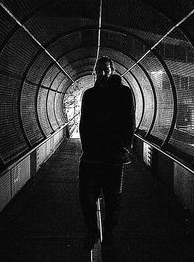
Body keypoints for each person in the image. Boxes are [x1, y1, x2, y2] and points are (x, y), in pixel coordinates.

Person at [79, 56, 135, 251]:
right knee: (86, 197)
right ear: (96, 71)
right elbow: (83, 123)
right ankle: (93, 231)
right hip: (92, 156)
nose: (103, 73)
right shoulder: (89, 95)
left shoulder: (124, 93)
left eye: (106, 70)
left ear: (113, 71)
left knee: (113, 199)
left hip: (113, 156)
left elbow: (129, 122)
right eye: (100, 70)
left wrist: (124, 146)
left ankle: (107, 233)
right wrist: (87, 147)